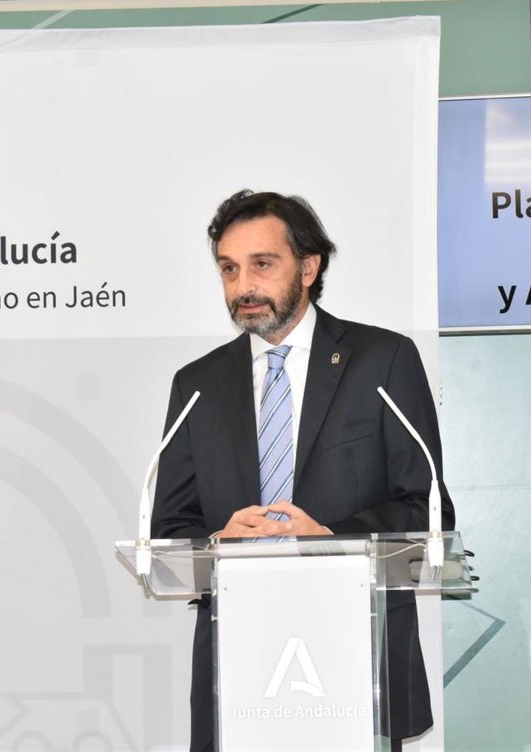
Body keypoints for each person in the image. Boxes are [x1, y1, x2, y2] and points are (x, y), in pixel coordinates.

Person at [151, 189, 455, 752]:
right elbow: (169, 531)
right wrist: (218, 543)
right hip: (237, 658)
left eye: (262, 264)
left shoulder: (382, 360)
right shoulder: (197, 385)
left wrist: (333, 538)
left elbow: (428, 509)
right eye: (229, 269)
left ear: (309, 268)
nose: (243, 286)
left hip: (356, 648)